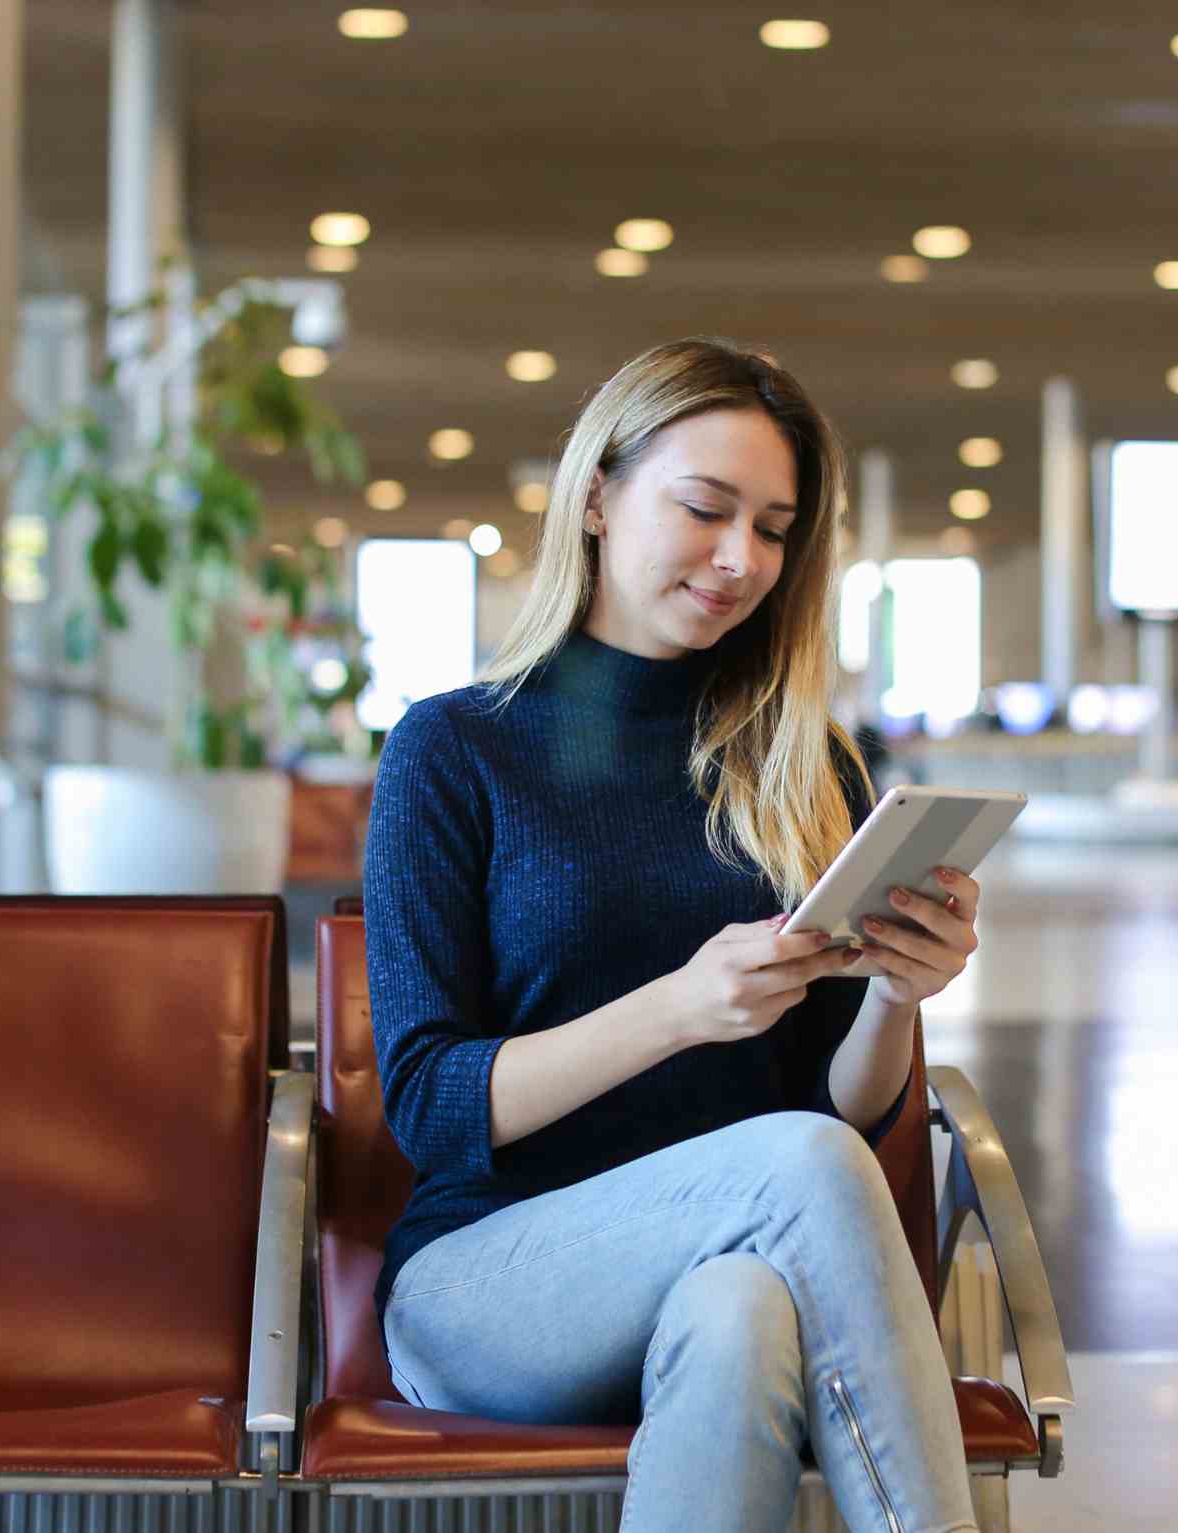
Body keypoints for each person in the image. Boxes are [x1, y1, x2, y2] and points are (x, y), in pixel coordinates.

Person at [360, 337, 983, 1533]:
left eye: (775, 527)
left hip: (732, 1259)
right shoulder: (454, 749)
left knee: (748, 1309)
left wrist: (903, 993)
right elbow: (431, 1105)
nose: (740, 558)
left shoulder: (807, 765)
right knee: (794, 1164)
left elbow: (844, 1109)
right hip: (491, 1278)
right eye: (704, 509)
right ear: (596, 497)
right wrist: (677, 1011)